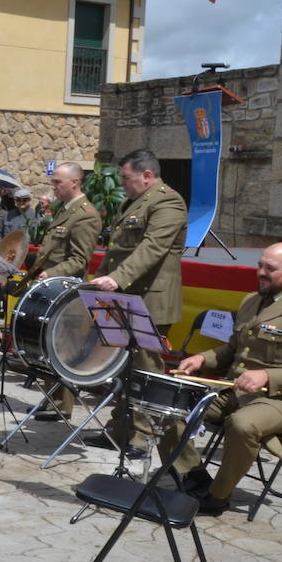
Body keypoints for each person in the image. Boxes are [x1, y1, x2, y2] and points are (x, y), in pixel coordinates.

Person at [164, 243, 282, 515]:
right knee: (173, 406)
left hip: (279, 399)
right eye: (260, 266)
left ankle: (217, 496)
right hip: (234, 388)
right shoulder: (250, 301)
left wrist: (267, 374)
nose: (261, 273)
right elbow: (232, 350)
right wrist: (202, 359)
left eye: (270, 269)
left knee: (242, 425)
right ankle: (194, 477)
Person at [84, 149, 188, 456]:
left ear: (146, 175)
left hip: (151, 301)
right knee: (123, 368)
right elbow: (117, 250)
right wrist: (100, 283)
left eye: (126, 178)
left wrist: (117, 279)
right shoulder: (134, 202)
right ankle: (120, 428)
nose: (122, 184)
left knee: (146, 369)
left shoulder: (168, 201)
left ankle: (143, 436)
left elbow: (152, 247)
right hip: (126, 297)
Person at [22, 162, 101, 421]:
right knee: (50, 345)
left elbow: (80, 259)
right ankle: (52, 399)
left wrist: (50, 274)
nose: (53, 186)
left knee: (63, 347)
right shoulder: (65, 210)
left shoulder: (86, 214)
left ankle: (62, 405)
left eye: (58, 182)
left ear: (75, 182)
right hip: (52, 289)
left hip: (66, 292)